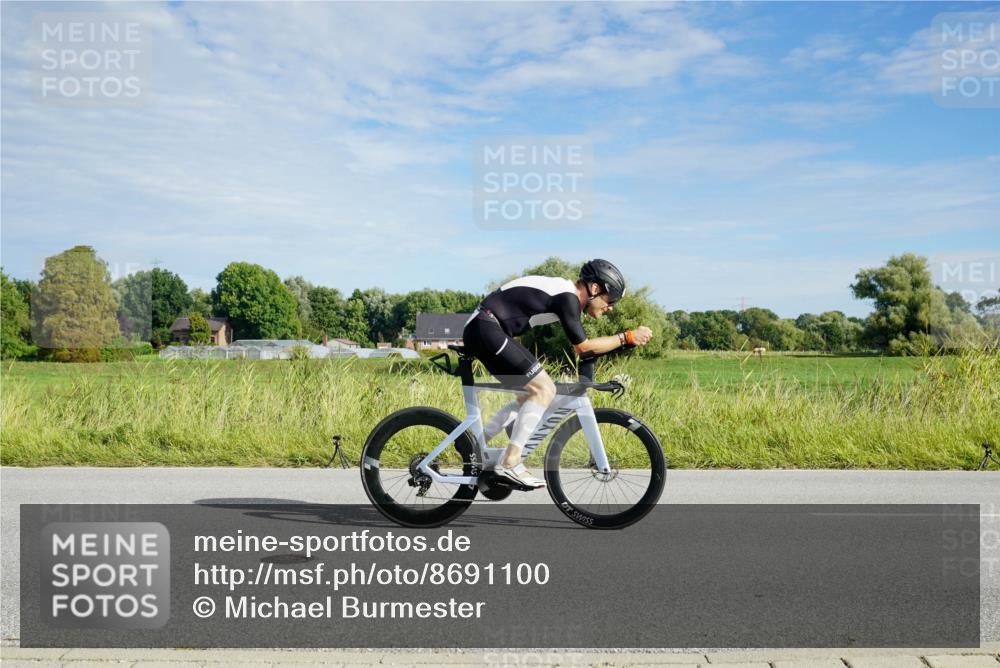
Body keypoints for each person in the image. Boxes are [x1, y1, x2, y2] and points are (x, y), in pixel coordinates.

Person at [462, 259, 653, 489]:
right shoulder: (568, 297)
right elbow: (584, 347)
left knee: (528, 396)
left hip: (488, 329)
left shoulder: (566, 297)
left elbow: (586, 352)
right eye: (610, 299)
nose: (610, 307)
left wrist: (617, 349)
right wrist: (627, 337)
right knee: (544, 389)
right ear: (595, 288)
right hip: (486, 327)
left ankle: (475, 444)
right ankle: (510, 462)